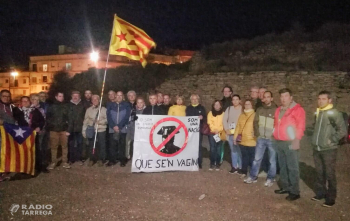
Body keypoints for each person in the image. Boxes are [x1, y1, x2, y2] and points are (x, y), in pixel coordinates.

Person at [311, 91, 347, 207]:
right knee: (319, 172)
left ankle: (331, 198)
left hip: (329, 149)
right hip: (317, 148)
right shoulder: (318, 112)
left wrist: (331, 140)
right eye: (319, 99)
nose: (320, 101)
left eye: (323, 99)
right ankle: (320, 193)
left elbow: (342, 131)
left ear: (329, 100)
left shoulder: (334, 113)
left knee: (330, 174)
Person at [273, 88, 305, 201]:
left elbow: (300, 126)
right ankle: (285, 187)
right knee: (283, 166)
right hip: (280, 142)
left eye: (286, 96)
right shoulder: (278, 110)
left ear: (291, 98)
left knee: (292, 167)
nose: (283, 99)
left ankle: (295, 191)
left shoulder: (298, 110)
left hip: (291, 142)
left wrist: (297, 140)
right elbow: (276, 124)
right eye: (281, 96)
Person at [244, 91, 277, 186]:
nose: (266, 99)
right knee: (257, 159)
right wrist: (258, 134)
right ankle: (253, 176)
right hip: (261, 138)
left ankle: (270, 178)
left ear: (271, 98)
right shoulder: (259, 109)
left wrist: (274, 135)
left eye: (268, 97)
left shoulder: (276, 110)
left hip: (271, 139)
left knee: (272, 160)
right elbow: (255, 122)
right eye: (264, 97)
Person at [13, 96, 47, 173]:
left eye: (27, 101)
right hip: (22, 134)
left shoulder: (35, 111)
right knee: (23, 151)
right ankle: (24, 168)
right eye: (23, 101)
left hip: (33, 133)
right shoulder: (17, 111)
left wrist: (39, 127)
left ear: (30, 102)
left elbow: (42, 120)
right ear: (21, 102)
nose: (25, 103)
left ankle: (38, 166)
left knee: (36, 150)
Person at [46, 92, 70, 170]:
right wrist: (51, 126)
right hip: (54, 130)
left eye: (62, 96)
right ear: (56, 97)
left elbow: (69, 119)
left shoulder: (66, 107)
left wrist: (68, 129)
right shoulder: (51, 107)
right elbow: (48, 118)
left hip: (64, 130)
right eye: (60, 96)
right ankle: (53, 162)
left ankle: (64, 162)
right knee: (53, 147)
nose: (61, 98)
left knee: (64, 146)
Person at [82, 95, 108, 167]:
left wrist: (100, 122)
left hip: (101, 130)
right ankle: (92, 159)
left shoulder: (104, 109)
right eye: (93, 99)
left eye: (97, 99)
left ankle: (101, 159)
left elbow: (107, 120)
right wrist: (84, 130)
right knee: (92, 145)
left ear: (99, 100)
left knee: (101, 145)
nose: (95, 101)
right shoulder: (88, 110)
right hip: (92, 130)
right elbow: (86, 120)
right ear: (91, 101)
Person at [107, 91, 131, 167]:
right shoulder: (110, 105)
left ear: (123, 97)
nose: (119, 97)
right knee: (112, 145)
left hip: (122, 128)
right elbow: (108, 117)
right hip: (112, 128)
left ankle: (122, 160)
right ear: (115, 96)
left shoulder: (126, 105)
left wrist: (119, 126)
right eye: (117, 95)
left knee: (122, 145)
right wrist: (113, 126)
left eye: (121, 95)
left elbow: (126, 117)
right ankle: (112, 160)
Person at [234, 99, 256, 177]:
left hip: (251, 140)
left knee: (252, 158)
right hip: (242, 139)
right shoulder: (242, 115)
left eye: (248, 104)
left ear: (251, 105)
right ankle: (244, 171)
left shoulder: (254, 115)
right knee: (244, 157)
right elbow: (238, 127)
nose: (247, 106)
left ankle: (252, 172)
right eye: (246, 104)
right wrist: (235, 137)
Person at [186, 94, 207, 169]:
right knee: (189, 145)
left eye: (196, 99)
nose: (194, 100)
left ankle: (199, 162)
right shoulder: (188, 108)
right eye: (193, 99)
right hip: (190, 131)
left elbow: (205, 118)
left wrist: (202, 117)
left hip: (199, 130)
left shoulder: (202, 108)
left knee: (198, 146)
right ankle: (190, 161)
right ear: (190, 100)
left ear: (198, 100)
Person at [223, 94, 242, 174]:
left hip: (240, 133)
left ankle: (241, 167)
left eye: (236, 99)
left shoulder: (242, 109)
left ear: (239, 100)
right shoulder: (229, 109)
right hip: (231, 133)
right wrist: (226, 129)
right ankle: (234, 166)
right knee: (233, 150)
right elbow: (224, 119)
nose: (235, 101)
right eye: (233, 99)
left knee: (240, 151)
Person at [30, 94, 49, 173]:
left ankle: (41, 164)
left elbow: (43, 120)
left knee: (42, 148)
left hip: (42, 130)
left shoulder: (40, 109)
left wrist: (41, 127)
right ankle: (34, 165)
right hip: (32, 132)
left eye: (38, 100)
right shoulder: (30, 109)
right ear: (31, 100)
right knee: (35, 148)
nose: (36, 101)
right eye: (34, 99)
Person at [0, 90, 16, 181]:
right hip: (1, 133)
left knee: (5, 153)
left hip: (8, 134)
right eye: (4, 96)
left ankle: (4, 172)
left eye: (8, 96)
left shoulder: (11, 106)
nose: (6, 98)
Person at [67, 91, 85, 165]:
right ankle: (71, 159)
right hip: (70, 129)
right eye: (74, 96)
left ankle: (79, 158)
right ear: (71, 96)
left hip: (80, 128)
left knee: (80, 144)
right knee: (71, 144)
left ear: (79, 97)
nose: (75, 97)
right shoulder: (68, 105)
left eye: (77, 96)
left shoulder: (82, 105)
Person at [207, 100, 224, 171]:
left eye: (218, 104)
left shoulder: (223, 113)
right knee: (212, 148)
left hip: (220, 133)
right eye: (215, 105)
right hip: (212, 133)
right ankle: (212, 163)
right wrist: (214, 130)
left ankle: (217, 163)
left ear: (220, 106)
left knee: (218, 149)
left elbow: (224, 123)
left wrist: (219, 130)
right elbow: (209, 122)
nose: (216, 106)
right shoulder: (210, 113)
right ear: (213, 106)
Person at [126, 90, 137, 159]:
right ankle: (127, 155)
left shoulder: (138, 103)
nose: (131, 97)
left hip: (136, 124)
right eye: (130, 95)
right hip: (127, 124)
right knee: (127, 140)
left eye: (133, 95)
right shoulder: (125, 104)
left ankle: (135, 154)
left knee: (135, 140)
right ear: (128, 97)